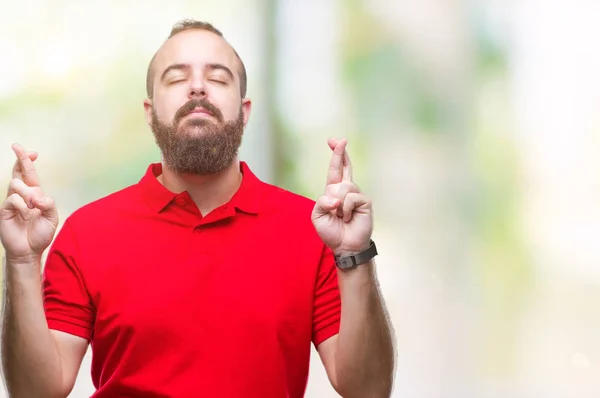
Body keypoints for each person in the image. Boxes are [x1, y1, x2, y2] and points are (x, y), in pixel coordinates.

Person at [0, 19, 395, 398]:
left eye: (218, 77)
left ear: (245, 110)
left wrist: (353, 254)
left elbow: (367, 390)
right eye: (176, 77)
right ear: (149, 110)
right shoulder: (87, 231)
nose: (198, 88)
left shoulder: (311, 229)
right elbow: (36, 392)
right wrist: (20, 261)